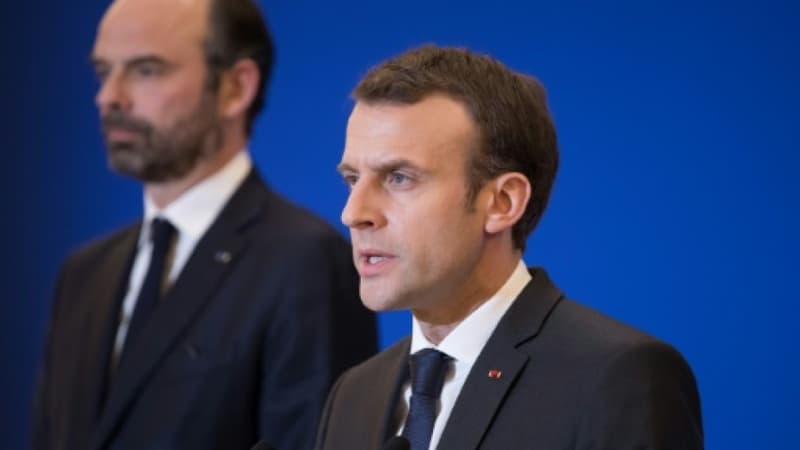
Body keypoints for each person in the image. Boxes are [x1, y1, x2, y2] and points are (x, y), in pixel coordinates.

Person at [315, 45, 703, 450]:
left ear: (503, 202)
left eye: (398, 178)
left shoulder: (619, 378)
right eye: (351, 179)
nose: (353, 212)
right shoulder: (354, 394)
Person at [32, 0, 377, 449]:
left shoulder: (307, 261)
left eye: (146, 69)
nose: (109, 96)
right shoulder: (82, 274)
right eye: (103, 72)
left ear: (235, 88)